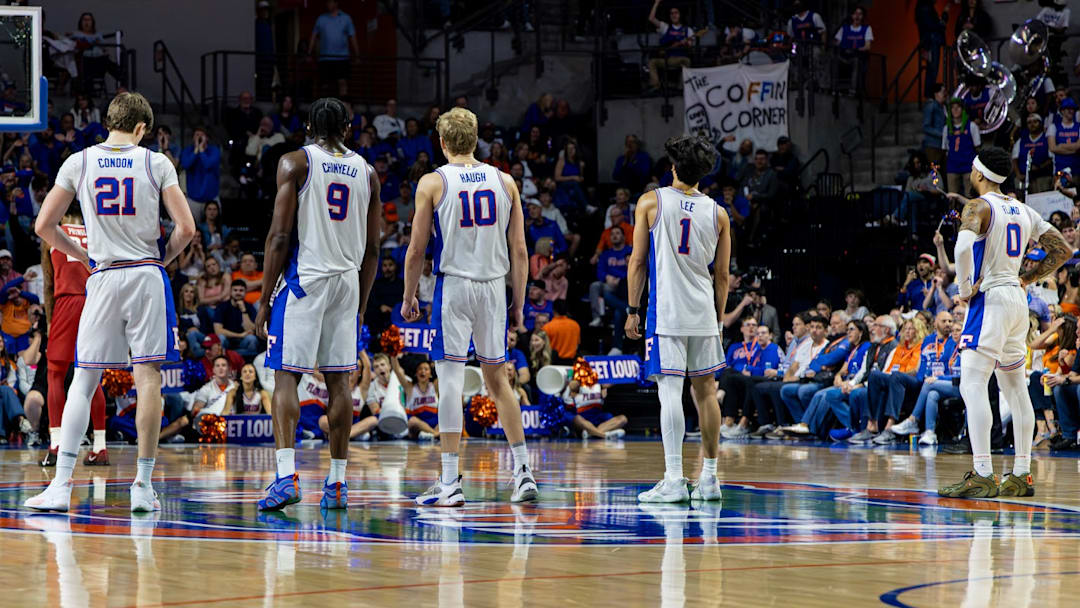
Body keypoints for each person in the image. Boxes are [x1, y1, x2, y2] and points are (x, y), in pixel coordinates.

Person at [25, 92, 197, 512]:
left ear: (109, 123)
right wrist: (161, 259)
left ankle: (61, 485)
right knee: (148, 379)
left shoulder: (79, 161)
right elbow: (187, 228)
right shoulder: (156, 162)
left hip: (102, 276)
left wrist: (82, 254)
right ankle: (142, 486)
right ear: (141, 128)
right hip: (145, 275)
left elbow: (44, 225)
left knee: (84, 379)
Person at [402, 107, 538, 506]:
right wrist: (519, 303)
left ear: (442, 142)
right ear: (476, 139)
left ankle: (450, 481)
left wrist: (409, 295)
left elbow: (416, 250)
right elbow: (520, 250)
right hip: (494, 287)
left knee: (450, 380)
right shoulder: (506, 181)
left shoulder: (433, 182)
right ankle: (523, 472)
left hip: (455, 286)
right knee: (499, 382)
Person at [255, 97, 382, 511]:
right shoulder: (368, 173)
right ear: (348, 129)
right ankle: (338, 483)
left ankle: (286, 477)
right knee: (340, 382)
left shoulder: (296, 163)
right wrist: (360, 305)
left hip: (306, 281)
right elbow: (373, 249)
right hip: (347, 282)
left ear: (308, 128)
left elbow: (278, 237)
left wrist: (263, 300)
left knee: (285, 377)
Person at [938, 147, 1071, 499]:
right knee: (1014, 388)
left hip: (991, 299)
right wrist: (1027, 278)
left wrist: (963, 289)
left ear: (979, 174)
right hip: (1016, 299)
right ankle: (1021, 474)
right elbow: (1063, 250)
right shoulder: (1022, 208)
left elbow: (962, 249)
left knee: (972, 384)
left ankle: (983, 473)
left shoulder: (977, 206)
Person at [625, 134, 730, 502]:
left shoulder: (651, 202)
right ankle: (710, 479)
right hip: (704, 313)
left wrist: (632, 310)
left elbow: (638, 261)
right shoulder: (718, 213)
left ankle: (674, 479)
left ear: (673, 167)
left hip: (666, 312)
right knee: (706, 392)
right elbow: (722, 276)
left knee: (669, 391)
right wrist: (718, 321)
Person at [38, 205, 108, 467]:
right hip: (96, 303)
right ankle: (100, 446)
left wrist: (49, 321)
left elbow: (48, 284)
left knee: (55, 374)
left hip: (67, 303)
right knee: (91, 376)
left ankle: (57, 444)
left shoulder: (51, 232)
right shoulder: (97, 231)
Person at [309, 0, 359, 98]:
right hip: (325, 57)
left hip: (342, 57)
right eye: (327, 2)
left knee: (342, 82)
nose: (328, 4)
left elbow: (352, 37)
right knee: (325, 84)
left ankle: (343, 103)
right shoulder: (321, 19)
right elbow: (313, 36)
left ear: (336, 3)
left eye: (330, 2)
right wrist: (309, 53)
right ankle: (325, 104)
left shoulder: (346, 18)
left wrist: (357, 55)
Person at [646, 0, 695, 92]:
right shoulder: (665, 27)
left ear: (680, 15)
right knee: (652, 62)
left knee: (687, 61)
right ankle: (656, 86)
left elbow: (691, 48)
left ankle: (681, 87)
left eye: (676, 13)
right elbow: (651, 19)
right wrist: (656, 3)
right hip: (667, 59)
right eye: (671, 13)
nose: (674, 15)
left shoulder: (688, 30)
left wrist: (686, 43)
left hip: (680, 58)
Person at [392, 356, 439, 440]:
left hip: (434, 421)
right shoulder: (410, 387)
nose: (423, 371)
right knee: (412, 421)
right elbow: (397, 370)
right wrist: (393, 354)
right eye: (420, 369)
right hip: (417, 424)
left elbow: (444, 372)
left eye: (426, 369)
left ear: (430, 374)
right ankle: (435, 434)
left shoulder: (435, 386)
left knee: (447, 418)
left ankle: (431, 434)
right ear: (416, 373)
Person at [943, 98, 981, 195]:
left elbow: (978, 148)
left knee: (970, 196)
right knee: (952, 197)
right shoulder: (946, 128)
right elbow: (945, 149)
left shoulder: (972, 126)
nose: (955, 110)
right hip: (952, 167)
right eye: (953, 108)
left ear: (963, 110)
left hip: (968, 167)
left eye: (958, 107)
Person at [214, 281, 259, 357]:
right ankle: (223, 358)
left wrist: (244, 311)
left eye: (241, 290)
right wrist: (239, 335)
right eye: (235, 290)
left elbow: (251, 330)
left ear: (245, 292)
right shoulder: (222, 306)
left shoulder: (249, 307)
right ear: (230, 291)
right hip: (228, 340)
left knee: (252, 339)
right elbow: (218, 331)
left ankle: (248, 361)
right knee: (221, 338)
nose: (238, 293)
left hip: (243, 341)